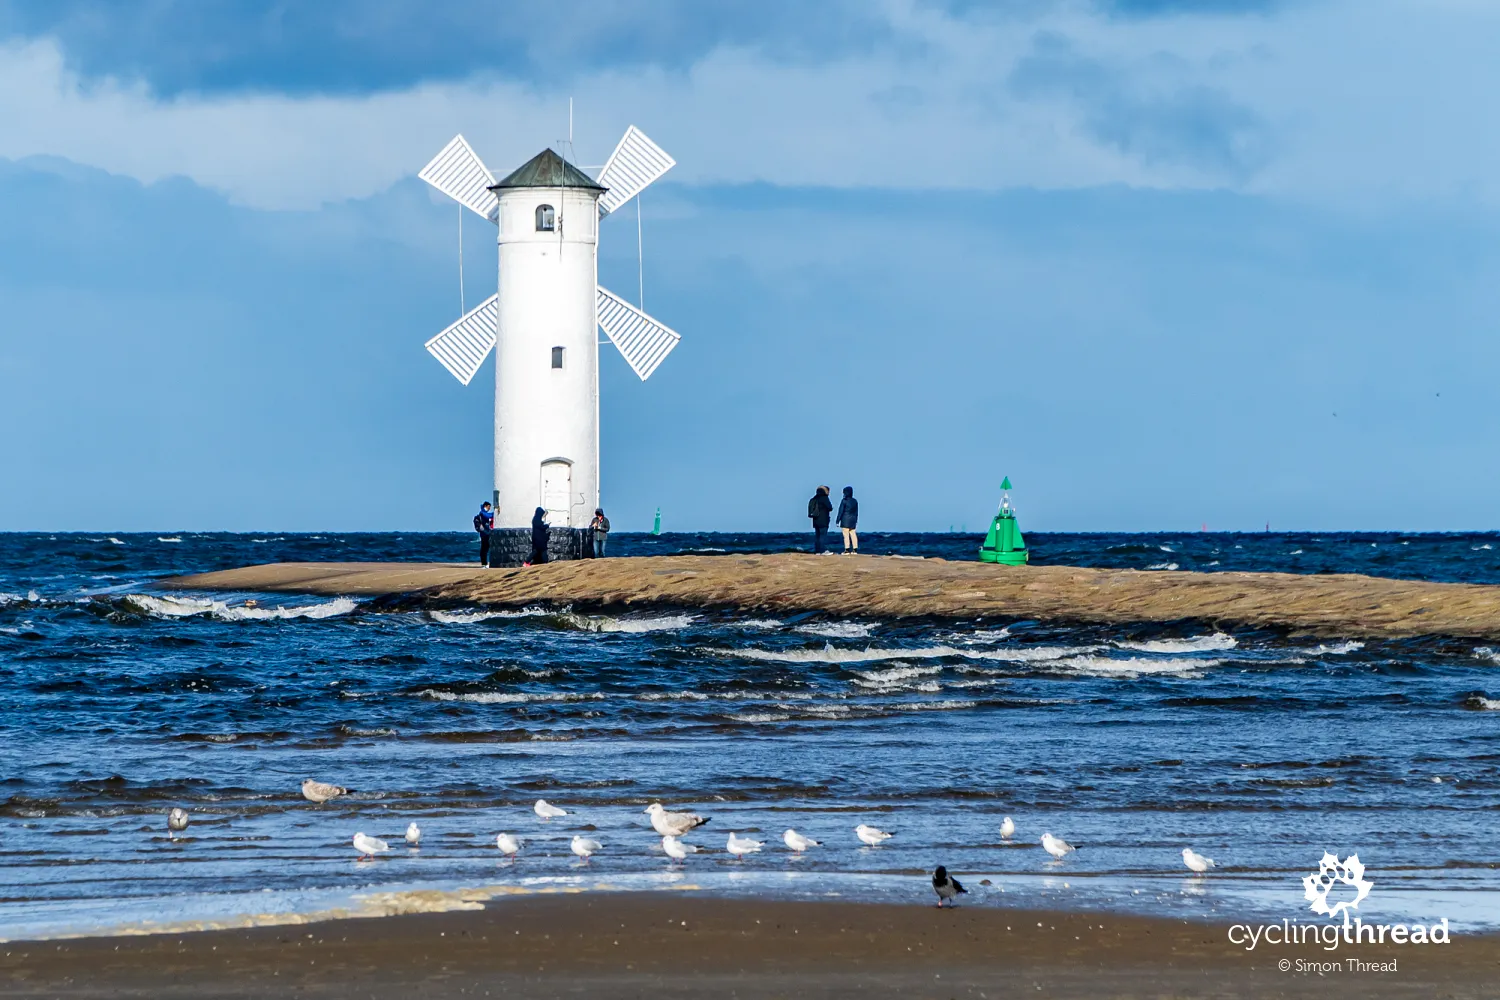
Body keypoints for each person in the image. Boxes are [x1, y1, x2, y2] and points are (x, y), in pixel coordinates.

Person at [807, 485, 833, 554]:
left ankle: (817, 551)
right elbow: (830, 507)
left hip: (815, 520)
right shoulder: (824, 498)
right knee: (822, 536)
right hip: (823, 520)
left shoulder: (814, 498)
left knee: (817, 536)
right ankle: (823, 550)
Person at [836, 486, 859, 554]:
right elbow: (856, 512)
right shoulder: (855, 501)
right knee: (853, 534)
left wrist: (837, 520)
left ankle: (847, 549)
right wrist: (856, 520)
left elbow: (841, 511)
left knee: (846, 535)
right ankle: (855, 549)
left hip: (845, 520)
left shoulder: (844, 501)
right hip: (853, 520)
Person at [473, 501, 495, 566]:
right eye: (488, 507)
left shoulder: (483, 513)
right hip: (484, 534)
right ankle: (484, 563)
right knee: (484, 549)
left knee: (485, 549)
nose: (489, 509)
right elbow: (489, 516)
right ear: (485, 506)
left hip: (486, 533)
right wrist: (496, 512)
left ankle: (484, 563)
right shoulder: (482, 513)